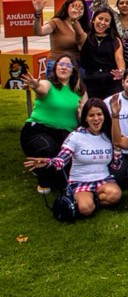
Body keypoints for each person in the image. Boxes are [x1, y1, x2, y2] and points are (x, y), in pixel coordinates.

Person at [22, 99, 122, 218]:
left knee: (115, 195)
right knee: (86, 209)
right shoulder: (76, 136)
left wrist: (117, 149)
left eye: (99, 114)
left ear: (104, 116)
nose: (96, 119)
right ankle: (84, 199)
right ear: (85, 118)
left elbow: (116, 165)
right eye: (91, 115)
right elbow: (62, 159)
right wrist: (48, 162)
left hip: (103, 179)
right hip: (80, 180)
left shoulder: (107, 135)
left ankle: (90, 199)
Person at [20, 56, 85, 194]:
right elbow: (41, 89)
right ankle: (43, 179)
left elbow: (84, 114)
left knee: (68, 164)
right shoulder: (48, 84)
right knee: (49, 150)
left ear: (73, 70)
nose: (63, 67)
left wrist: (81, 112)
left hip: (65, 135)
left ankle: (55, 179)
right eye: (60, 64)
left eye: (68, 65)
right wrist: (36, 85)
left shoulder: (79, 90)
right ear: (55, 68)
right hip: (38, 131)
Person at [31, 0, 87, 73]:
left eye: (81, 8)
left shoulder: (85, 26)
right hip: (56, 64)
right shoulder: (56, 22)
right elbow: (39, 32)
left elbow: (81, 43)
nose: (77, 10)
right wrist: (37, 13)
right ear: (67, 7)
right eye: (74, 6)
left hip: (76, 65)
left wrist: (74, 21)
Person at [79, 7, 124, 99]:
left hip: (111, 79)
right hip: (90, 79)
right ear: (93, 20)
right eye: (100, 18)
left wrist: (121, 71)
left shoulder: (115, 40)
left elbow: (119, 58)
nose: (102, 23)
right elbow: (76, 27)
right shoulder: (84, 37)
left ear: (110, 25)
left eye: (107, 20)